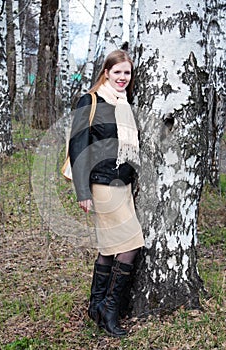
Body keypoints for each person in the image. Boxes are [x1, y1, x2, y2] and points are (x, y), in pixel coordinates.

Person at [69, 49, 144, 337]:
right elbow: (77, 146)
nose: (123, 78)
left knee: (109, 249)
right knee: (130, 244)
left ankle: (96, 304)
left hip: (123, 184)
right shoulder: (91, 101)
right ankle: (109, 310)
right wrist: (82, 191)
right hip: (101, 185)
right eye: (118, 72)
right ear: (106, 73)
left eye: (127, 73)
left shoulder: (125, 103)